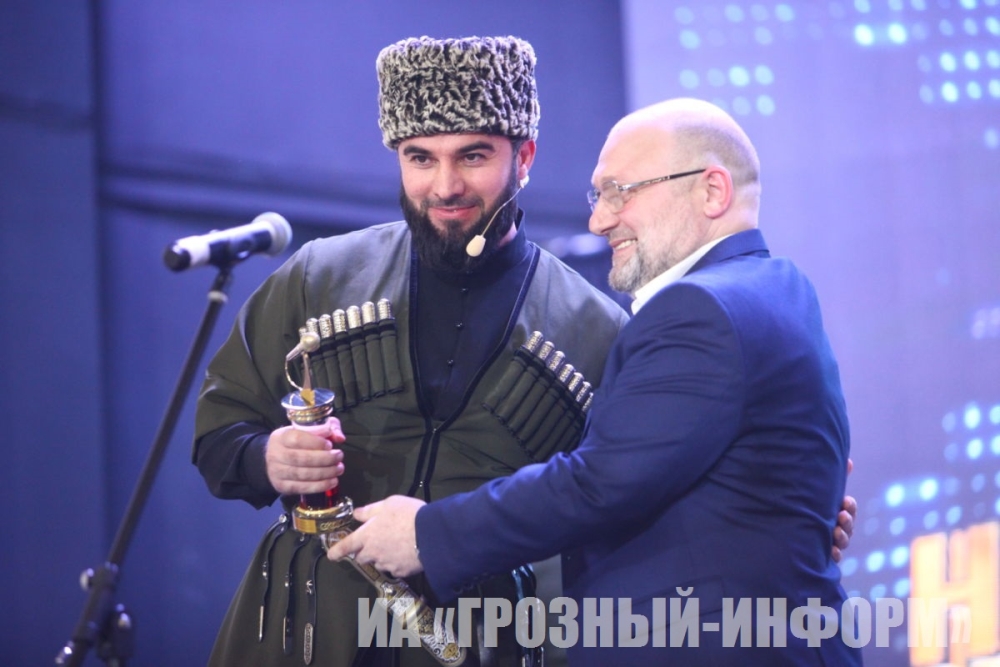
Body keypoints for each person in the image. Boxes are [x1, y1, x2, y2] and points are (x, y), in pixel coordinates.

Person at [328, 97, 864, 666]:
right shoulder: (779, 288)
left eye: (620, 191)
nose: (599, 220)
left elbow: (599, 484)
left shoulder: (699, 310)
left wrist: (428, 534)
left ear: (712, 191)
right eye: (598, 195)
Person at [193, 35, 630, 667]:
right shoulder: (319, 276)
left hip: (480, 640)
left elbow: (614, 507)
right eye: (420, 158)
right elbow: (217, 436)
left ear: (524, 157)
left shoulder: (599, 330)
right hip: (304, 631)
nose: (445, 186)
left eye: (473, 156)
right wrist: (267, 458)